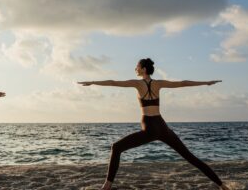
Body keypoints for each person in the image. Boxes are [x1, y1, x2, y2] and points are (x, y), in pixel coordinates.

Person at [79, 58, 231, 190]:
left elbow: (113, 82)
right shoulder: (158, 83)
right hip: (162, 126)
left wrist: (93, 82)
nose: (135, 68)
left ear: (144, 69)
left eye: (137, 66)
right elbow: (182, 83)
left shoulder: (137, 84)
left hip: (150, 128)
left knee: (116, 147)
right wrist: (206, 83)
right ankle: (222, 185)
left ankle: (107, 186)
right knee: (190, 157)